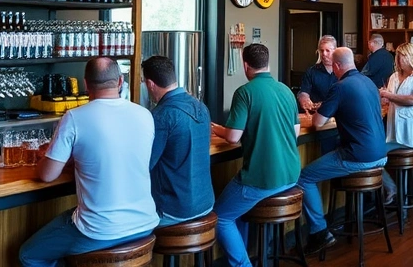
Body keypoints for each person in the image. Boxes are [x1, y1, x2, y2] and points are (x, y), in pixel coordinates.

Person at [19, 58, 158, 267]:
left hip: (99, 230)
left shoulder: (75, 117)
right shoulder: (145, 115)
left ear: (86, 84)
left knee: (29, 255)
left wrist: (44, 156)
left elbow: (47, 175)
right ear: (120, 81)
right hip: (145, 223)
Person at [211, 44, 301, 267]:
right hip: (290, 174)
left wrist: (215, 128)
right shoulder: (286, 90)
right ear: (268, 63)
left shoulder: (245, 92)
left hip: (263, 178)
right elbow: (295, 132)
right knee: (236, 210)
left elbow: (232, 137)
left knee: (221, 217)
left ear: (245, 65)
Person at [298, 47, 388, 255]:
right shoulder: (369, 83)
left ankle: (319, 232)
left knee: (303, 178)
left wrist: (315, 113)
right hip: (381, 156)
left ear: (337, 66)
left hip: (358, 156)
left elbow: (318, 123)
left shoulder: (340, 87)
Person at [142, 55, 214, 227]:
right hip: (206, 203)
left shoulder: (161, 116)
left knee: (122, 227)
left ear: (151, 84)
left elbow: (144, 165)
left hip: (174, 210)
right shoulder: (201, 107)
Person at [379, 42, 413, 203]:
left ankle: (395, 191)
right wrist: (384, 99)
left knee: (373, 156)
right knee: (372, 155)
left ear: (412, 56)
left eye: (403, 55)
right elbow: (390, 99)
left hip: (409, 136)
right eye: (398, 55)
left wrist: (389, 96)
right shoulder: (394, 76)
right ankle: (393, 188)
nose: (399, 59)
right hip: (392, 133)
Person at [298, 35, 338, 113]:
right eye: (321, 50)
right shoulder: (311, 71)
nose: (324, 54)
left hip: (338, 114)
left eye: (327, 50)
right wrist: (304, 99)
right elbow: (304, 92)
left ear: (335, 51)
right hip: (317, 114)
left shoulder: (342, 70)